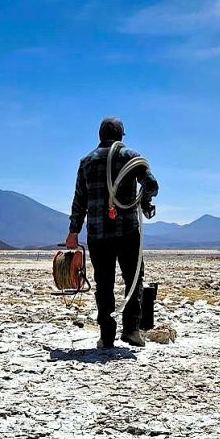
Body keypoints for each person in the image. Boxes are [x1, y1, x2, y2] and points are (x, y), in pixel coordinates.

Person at [66, 116, 159, 349]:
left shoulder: (86, 162)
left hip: (98, 234)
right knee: (134, 279)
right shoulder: (131, 157)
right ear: (120, 136)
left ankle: (106, 336)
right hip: (127, 231)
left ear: (100, 135)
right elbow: (152, 184)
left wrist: (73, 231)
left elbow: (80, 200)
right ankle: (131, 331)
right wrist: (144, 202)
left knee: (104, 283)